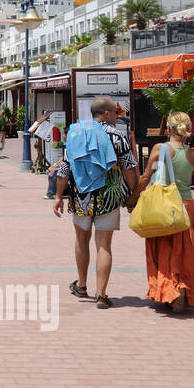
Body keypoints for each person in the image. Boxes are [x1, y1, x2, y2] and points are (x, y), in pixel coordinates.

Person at [53, 97, 140, 310]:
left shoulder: (75, 133)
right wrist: (132, 195)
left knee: (81, 240)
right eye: (116, 113)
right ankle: (101, 295)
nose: (117, 116)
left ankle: (82, 285)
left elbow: (65, 167)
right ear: (107, 113)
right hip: (108, 197)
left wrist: (57, 196)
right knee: (104, 244)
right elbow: (129, 168)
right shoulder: (118, 136)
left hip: (80, 196)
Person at [130, 112, 194, 314]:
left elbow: (146, 177)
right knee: (184, 251)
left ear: (168, 129)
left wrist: (131, 199)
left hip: (164, 205)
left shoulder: (161, 148)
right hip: (186, 207)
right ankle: (182, 288)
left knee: (164, 248)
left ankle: (170, 291)